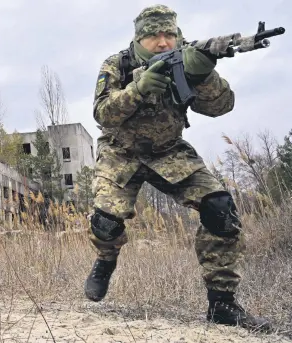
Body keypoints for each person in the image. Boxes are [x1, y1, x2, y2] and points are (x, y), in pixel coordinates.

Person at [85, 4, 270, 331]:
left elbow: (222, 107)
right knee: (105, 222)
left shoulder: (188, 58)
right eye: (153, 35)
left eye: (169, 34)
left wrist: (202, 75)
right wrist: (138, 90)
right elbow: (103, 114)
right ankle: (106, 260)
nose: (162, 42)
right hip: (121, 152)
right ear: (139, 38)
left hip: (168, 150)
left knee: (220, 209)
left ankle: (222, 304)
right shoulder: (117, 64)